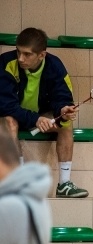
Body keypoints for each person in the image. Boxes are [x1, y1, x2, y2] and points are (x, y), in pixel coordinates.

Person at [0, 27, 88, 199]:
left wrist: (63, 109)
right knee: (9, 122)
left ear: (42, 55)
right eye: (18, 52)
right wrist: (35, 119)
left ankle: (64, 184)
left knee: (65, 123)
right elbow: (5, 106)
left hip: (40, 115)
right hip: (12, 115)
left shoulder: (55, 66)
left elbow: (62, 97)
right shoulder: (5, 63)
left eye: (27, 54)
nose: (20, 58)